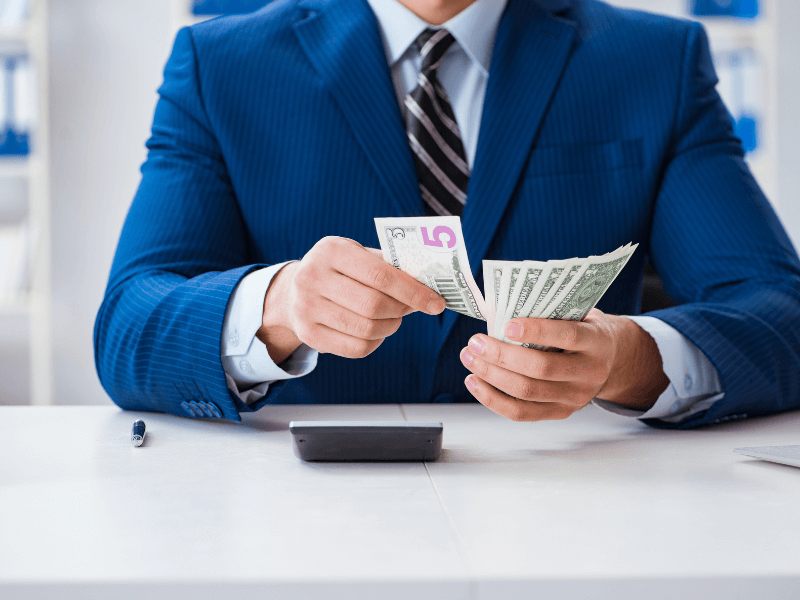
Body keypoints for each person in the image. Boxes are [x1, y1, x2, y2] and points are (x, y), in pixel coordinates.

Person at [94, 0, 800, 428]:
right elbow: (129, 323)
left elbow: (782, 314)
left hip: (571, 507)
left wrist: (630, 361)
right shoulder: (222, 65)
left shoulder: (653, 63)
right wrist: (275, 308)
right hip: (301, 519)